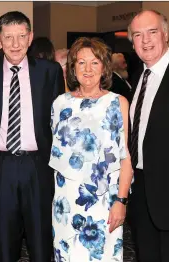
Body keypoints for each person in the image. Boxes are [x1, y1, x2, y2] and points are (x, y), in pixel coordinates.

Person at [0, 11, 65, 262]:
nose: (15, 44)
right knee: (3, 243)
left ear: (30, 37)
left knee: (41, 241)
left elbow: (59, 123)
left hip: (39, 167)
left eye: (21, 36)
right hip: (0, 167)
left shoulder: (50, 72)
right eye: (8, 37)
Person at [49, 37, 132, 261]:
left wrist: (121, 201)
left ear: (104, 67)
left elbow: (125, 158)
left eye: (94, 63)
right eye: (81, 62)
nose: (87, 69)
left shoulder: (118, 103)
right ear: (72, 68)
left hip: (104, 204)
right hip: (65, 204)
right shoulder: (59, 104)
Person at [127, 10, 169, 262]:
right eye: (137, 35)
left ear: (165, 34)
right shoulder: (138, 78)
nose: (145, 40)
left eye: (152, 32)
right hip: (141, 194)